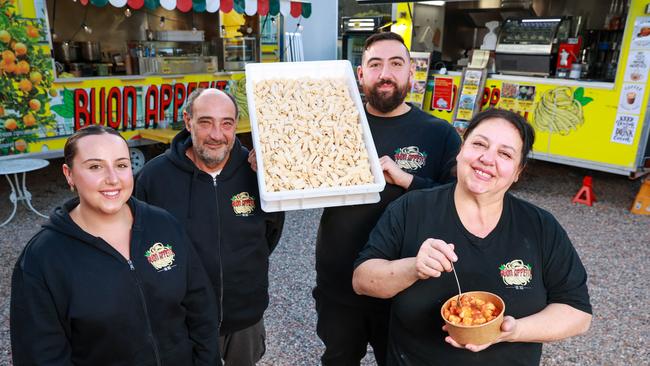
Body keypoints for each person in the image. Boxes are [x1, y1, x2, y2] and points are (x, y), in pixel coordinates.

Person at [352, 109, 592, 365]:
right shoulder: (412, 208)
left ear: (518, 171)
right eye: (479, 144)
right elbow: (362, 280)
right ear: (461, 149)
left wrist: (511, 331)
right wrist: (414, 267)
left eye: (505, 154)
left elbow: (577, 313)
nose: (487, 159)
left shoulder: (540, 226)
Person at [10, 125, 220, 366]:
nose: (112, 179)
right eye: (95, 166)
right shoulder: (43, 258)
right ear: (69, 174)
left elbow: (201, 308)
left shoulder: (163, 225)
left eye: (121, 165)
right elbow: (40, 356)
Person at [314, 32, 462, 365]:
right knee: (338, 358)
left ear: (412, 73)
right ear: (361, 74)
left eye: (396, 64)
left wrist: (407, 179)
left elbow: (461, 200)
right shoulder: (334, 125)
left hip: (407, 283)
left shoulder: (439, 133)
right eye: (375, 64)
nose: (385, 73)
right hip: (340, 282)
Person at [135, 88, 285, 366]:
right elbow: (137, 245)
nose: (217, 134)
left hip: (245, 320)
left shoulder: (258, 172)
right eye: (205, 122)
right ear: (187, 120)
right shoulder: (154, 178)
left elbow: (271, 232)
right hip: (181, 323)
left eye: (226, 123)